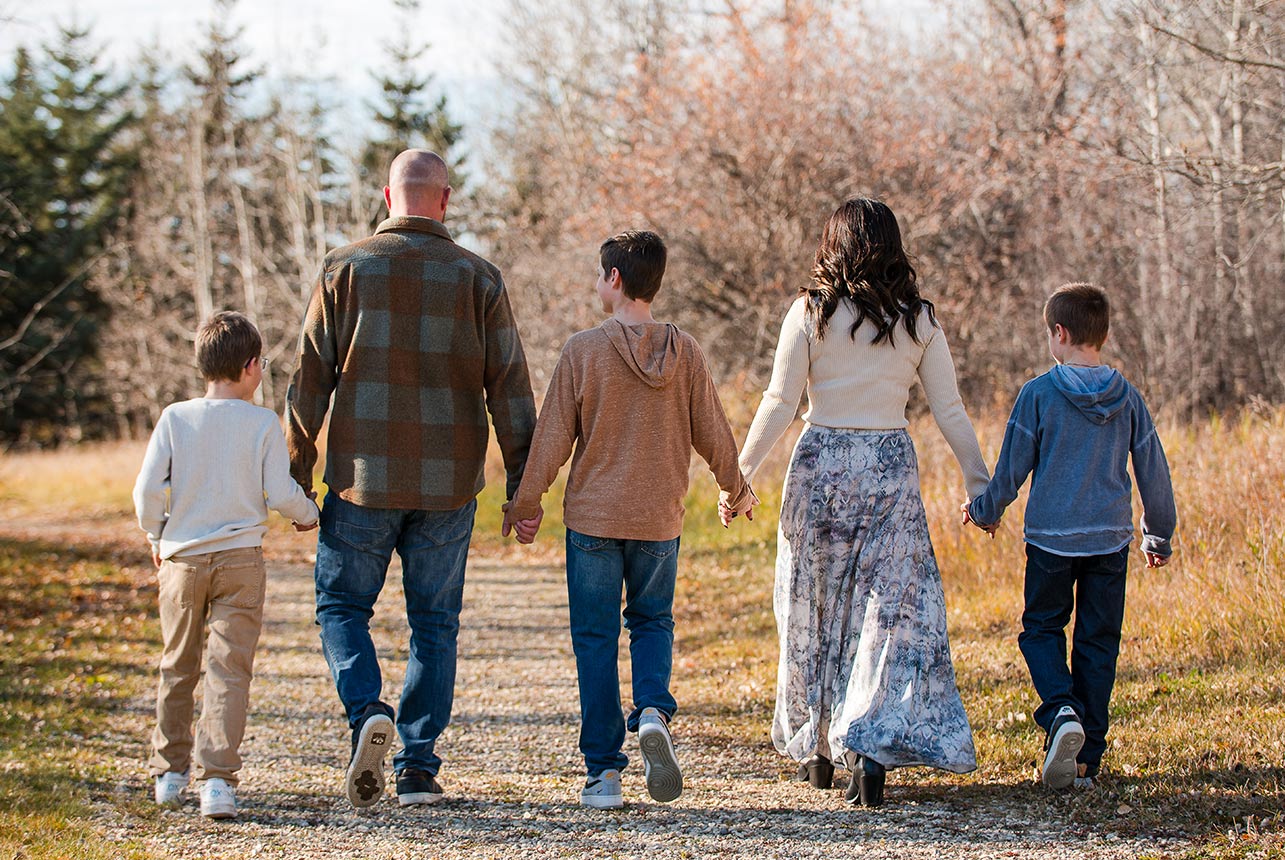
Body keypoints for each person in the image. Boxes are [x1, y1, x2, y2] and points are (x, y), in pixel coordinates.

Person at [285, 149, 536, 809]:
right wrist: (522, 489)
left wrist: (293, 476)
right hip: (447, 485)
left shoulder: (344, 268)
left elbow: (308, 380)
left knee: (342, 607)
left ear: (386, 197)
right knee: (435, 623)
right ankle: (418, 768)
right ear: (444, 200)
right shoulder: (479, 278)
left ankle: (368, 709)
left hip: (359, 481)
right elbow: (510, 389)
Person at [735, 198, 989, 807]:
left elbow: (779, 400)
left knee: (813, 607)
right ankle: (867, 750)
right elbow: (950, 409)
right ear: (894, 246)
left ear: (833, 244)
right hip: (889, 470)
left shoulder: (810, 313)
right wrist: (981, 482)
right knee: (887, 614)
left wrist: (737, 476)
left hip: (821, 465)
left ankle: (818, 747)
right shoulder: (919, 320)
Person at [504, 230, 756, 809]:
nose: (597, 283)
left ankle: (604, 775)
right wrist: (736, 490)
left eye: (599, 274)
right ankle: (650, 711)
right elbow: (713, 432)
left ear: (614, 279)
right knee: (651, 623)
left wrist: (525, 504)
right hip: (658, 521)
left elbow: (551, 442)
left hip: (593, 521)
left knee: (595, 640)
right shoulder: (685, 351)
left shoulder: (584, 350)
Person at [963, 282, 1176, 791]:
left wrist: (984, 510)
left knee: (1040, 630)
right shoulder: (1127, 398)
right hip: (1108, 542)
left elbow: (1013, 467)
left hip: (1051, 542)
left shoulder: (1039, 394)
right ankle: (1087, 760)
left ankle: (1061, 711)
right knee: (1098, 643)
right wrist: (1158, 535)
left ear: (1060, 334)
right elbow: (1153, 469)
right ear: (1100, 336)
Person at [134, 311, 319, 820]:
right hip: (240, 561)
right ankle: (218, 782)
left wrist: (157, 532)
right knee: (229, 670)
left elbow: (148, 490)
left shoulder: (175, 417)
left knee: (177, 664)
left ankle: (170, 775)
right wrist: (309, 515)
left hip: (182, 561)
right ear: (250, 365)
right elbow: (280, 492)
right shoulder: (261, 422)